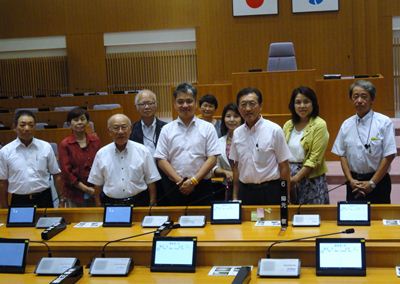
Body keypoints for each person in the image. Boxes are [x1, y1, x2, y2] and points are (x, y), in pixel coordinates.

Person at [154, 83, 221, 206]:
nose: (185, 105)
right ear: (175, 105)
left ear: (196, 103)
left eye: (189, 101)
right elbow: (161, 159)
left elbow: (212, 158)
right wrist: (180, 181)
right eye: (180, 102)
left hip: (202, 186)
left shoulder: (208, 128)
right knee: (176, 222)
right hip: (175, 186)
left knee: (203, 223)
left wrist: (194, 181)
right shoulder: (166, 129)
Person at [332, 80, 396, 204]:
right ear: (351, 99)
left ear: (372, 99)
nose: (359, 100)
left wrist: (372, 183)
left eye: (364, 96)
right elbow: (342, 154)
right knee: (354, 220)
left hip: (378, 182)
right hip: (353, 184)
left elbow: (389, 155)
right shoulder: (346, 124)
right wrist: (350, 180)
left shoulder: (384, 122)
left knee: (378, 220)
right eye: (355, 96)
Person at [230, 87, 292, 205]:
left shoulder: (274, 130)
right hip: (245, 192)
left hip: (270, 191)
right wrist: (234, 196)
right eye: (243, 104)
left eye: (252, 104)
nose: (248, 109)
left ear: (260, 106)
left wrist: (285, 196)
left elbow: (284, 167)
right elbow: (236, 167)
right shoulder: (237, 133)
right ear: (238, 108)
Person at [88, 114, 160, 206]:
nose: (120, 131)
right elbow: (97, 183)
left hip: (139, 202)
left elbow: (151, 180)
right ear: (109, 131)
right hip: (111, 204)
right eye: (116, 128)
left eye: (124, 127)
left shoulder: (143, 151)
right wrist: (98, 205)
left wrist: (152, 203)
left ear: (130, 130)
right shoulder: (101, 154)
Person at [0, 110, 62, 208]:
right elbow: (3, 182)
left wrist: (61, 200)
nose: (27, 128)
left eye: (31, 125)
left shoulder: (46, 147)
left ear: (35, 127)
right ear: (14, 127)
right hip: (19, 200)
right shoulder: (5, 151)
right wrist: (3, 206)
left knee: (46, 223)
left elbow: (56, 174)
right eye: (22, 125)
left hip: (44, 198)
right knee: (21, 224)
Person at [283, 86, 329, 204]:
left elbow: (314, 158)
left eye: (306, 102)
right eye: (298, 102)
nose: (302, 106)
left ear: (313, 104)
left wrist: (295, 179)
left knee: (311, 217)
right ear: (293, 105)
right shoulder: (288, 125)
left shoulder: (319, 125)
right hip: (289, 177)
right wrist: (288, 180)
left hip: (310, 178)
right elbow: (281, 152)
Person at [58, 107, 101, 207]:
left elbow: (101, 165)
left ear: (87, 122)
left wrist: (96, 189)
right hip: (74, 193)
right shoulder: (65, 144)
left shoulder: (95, 141)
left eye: (82, 119)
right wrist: (86, 189)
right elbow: (66, 173)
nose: (79, 122)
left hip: (95, 190)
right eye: (75, 120)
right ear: (69, 124)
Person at [213, 103, 244, 200]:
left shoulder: (249, 139)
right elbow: (214, 167)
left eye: (236, 116)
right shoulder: (218, 142)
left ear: (242, 119)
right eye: (228, 116)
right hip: (228, 187)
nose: (231, 120)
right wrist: (225, 172)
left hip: (247, 185)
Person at [130, 89, 167, 156]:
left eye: (150, 103)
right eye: (142, 104)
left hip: (161, 165)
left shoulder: (166, 127)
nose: (147, 107)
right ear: (137, 107)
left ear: (156, 105)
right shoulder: (131, 129)